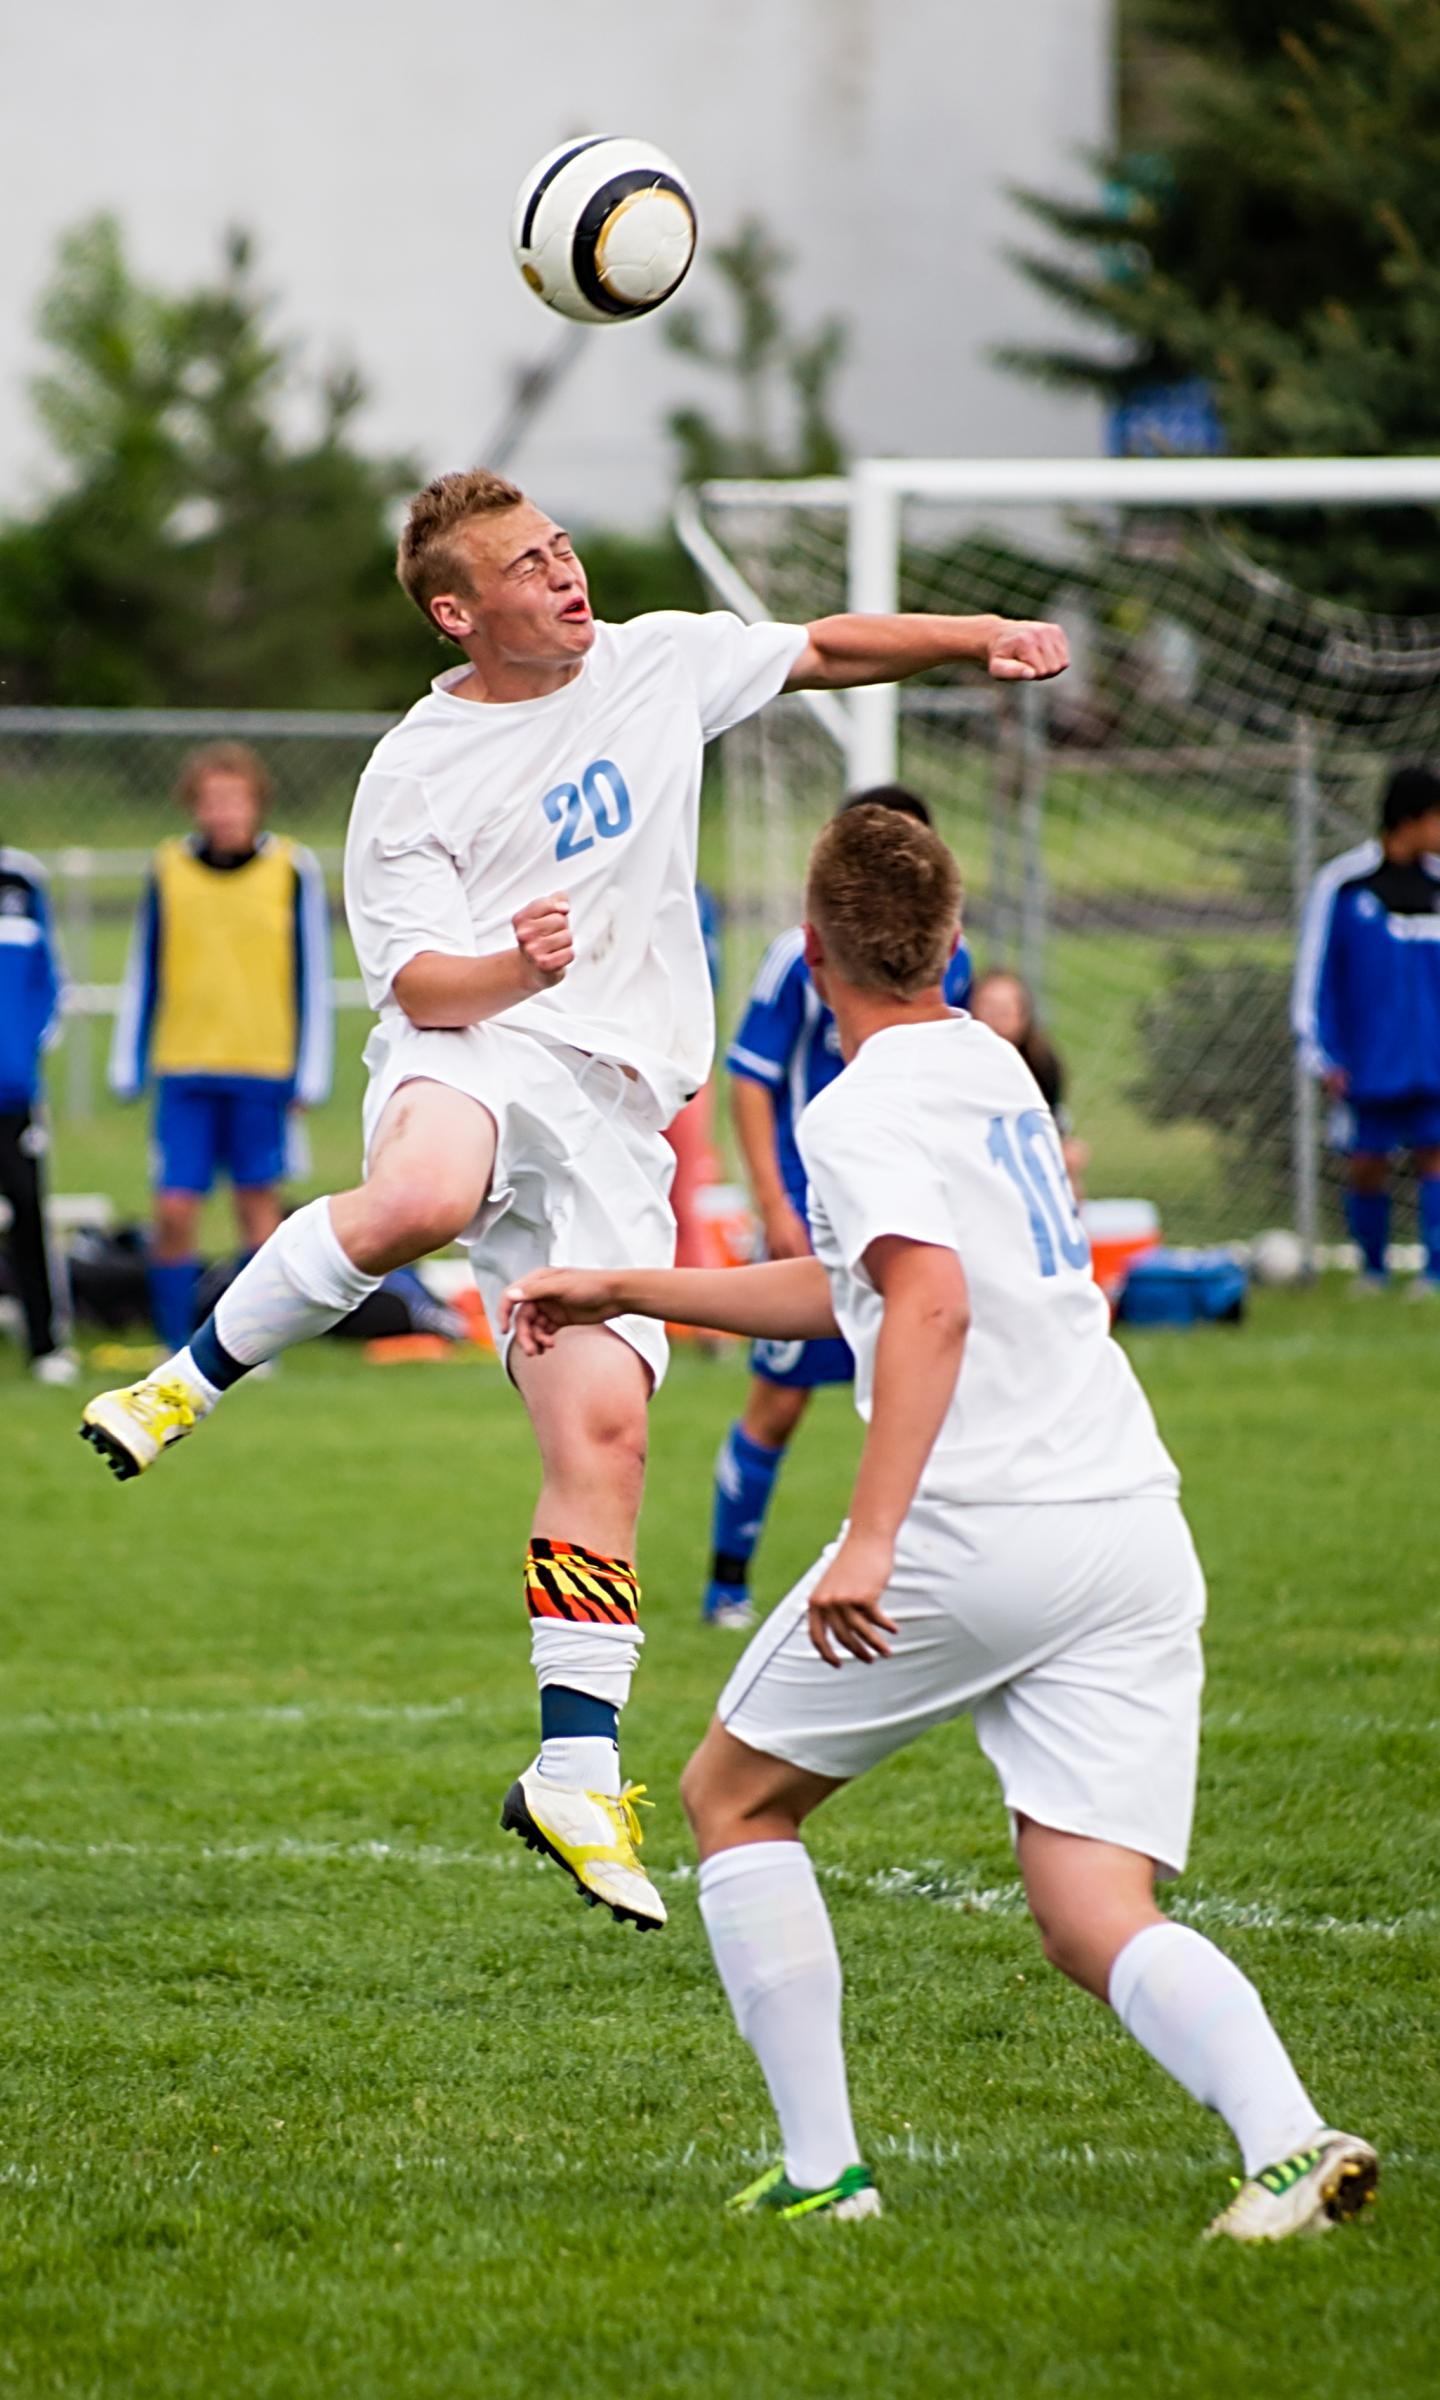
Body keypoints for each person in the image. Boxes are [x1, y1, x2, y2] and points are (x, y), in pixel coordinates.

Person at [82, 465, 1069, 1934]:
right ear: (454, 610)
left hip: (617, 1113)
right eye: (528, 567)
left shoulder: (655, 662)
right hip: (474, 1042)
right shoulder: (414, 771)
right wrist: (519, 972)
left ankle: (572, 1768)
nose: (564, 576)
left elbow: (820, 646)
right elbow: (418, 980)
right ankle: (192, 1376)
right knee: (419, 1195)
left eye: (559, 550)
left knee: (606, 1437)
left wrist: (972, 633)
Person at [504, 803, 1376, 2241]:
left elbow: (927, 1304)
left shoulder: (848, 1108)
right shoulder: (994, 1068)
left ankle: (822, 2172)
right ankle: (1289, 2142)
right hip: (1127, 1524)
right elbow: (858, 1285)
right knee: (1089, 1903)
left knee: (734, 1800)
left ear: (810, 952)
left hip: (981, 1528)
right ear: (954, 948)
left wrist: (872, 1533)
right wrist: (631, 1285)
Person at [704, 786, 971, 1631]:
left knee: (925, 1388)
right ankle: (726, 1585)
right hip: (813, 1208)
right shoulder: (799, 959)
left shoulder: (947, 960)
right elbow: (749, 1077)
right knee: (778, 1403)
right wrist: (773, 1200)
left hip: (904, 1216)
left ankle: (922, 1574)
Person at [109, 743, 334, 1351]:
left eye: (235, 799)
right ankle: (172, 1342)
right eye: (211, 800)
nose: (224, 813)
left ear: (257, 804)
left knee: (257, 1211)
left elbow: (311, 972)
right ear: (194, 806)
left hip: (263, 1069)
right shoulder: (169, 868)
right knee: (175, 1210)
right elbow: (145, 965)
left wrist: (309, 1073)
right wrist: (127, 1061)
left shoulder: (291, 868)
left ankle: (251, 1345)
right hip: (185, 1070)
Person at [1292, 762, 1440, 1294]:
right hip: (1367, 1061)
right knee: (1365, 1163)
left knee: (1436, 1154)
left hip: (1434, 1058)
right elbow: (1317, 974)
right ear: (1414, 819)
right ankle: (1372, 1270)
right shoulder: (1344, 884)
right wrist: (1323, 1054)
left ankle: (1434, 1272)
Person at [0, 844, 75, 1384]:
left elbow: (51, 982)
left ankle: (45, 1344)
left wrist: (22, 1053)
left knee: (27, 1206)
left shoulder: (20, 880)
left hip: (11, 1091)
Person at [969, 967, 1088, 1196]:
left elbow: (1053, 1122)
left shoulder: (1040, 1062)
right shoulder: (959, 1063)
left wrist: (1063, 1151)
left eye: (1004, 1010)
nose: (995, 1018)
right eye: (988, 1007)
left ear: (1022, 1015)